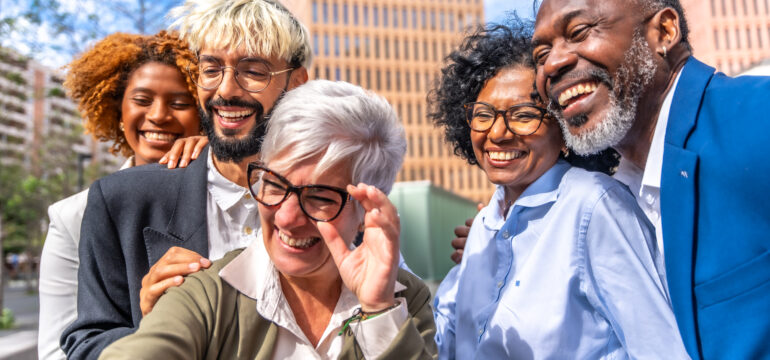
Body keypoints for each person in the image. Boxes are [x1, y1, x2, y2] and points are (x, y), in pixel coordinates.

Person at [99, 79, 436, 359]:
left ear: (367, 212)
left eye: (319, 198)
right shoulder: (208, 295)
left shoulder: (403, 300)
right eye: (274, 184)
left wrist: (378, 311)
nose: (287, 218)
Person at [60, 1, 312, 358]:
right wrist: (154, 329)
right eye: (211, 69)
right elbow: (84, 346)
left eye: (253, 71)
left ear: (297, 82)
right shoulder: (120, 201)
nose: (226, 89)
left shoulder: (330, 201)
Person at [429, 22, 687, 359]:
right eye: (484, 114)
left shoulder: (594, 206)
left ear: (566, 128)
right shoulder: (482, 227)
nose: (498, 133)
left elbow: (659, 348)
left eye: (523, 115)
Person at [532, 0, 770, 358]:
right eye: (540, 54)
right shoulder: (610, 196)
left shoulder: (759, 118)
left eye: (579, 32)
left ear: (664, 32)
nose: (552, 64)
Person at [38, 31, 207, 360]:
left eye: (180, 103)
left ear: (202, 116)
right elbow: (57, 351)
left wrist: (216, 161)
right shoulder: (73, 214)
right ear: (117, 111)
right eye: (142, 100)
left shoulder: (227, 194)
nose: (158, 115)